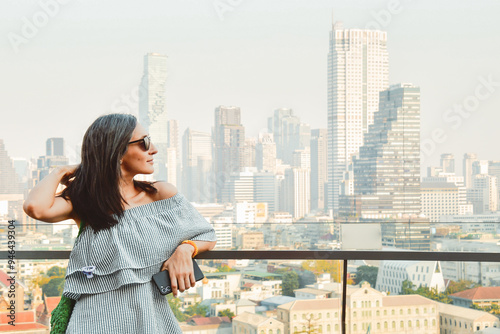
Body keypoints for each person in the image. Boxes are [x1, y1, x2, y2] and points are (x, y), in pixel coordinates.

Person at [23, 113, 217, 333]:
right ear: (117, 151)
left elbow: (206, 235)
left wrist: (185, 249)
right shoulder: (85, 201)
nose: (153, 149)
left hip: (150, 320)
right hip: (90, 323)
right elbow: (35, 208)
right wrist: (61, 170)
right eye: (144, 143)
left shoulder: (161, 195)